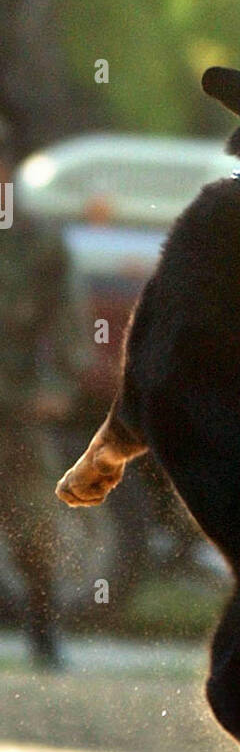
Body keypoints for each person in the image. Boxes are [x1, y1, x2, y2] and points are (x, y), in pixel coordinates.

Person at [0, 149, 91, 667]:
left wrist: (57, 383)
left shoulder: (35, 240)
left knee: (34, 518)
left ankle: (44, 633)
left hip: (16, 401)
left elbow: (69, 321)